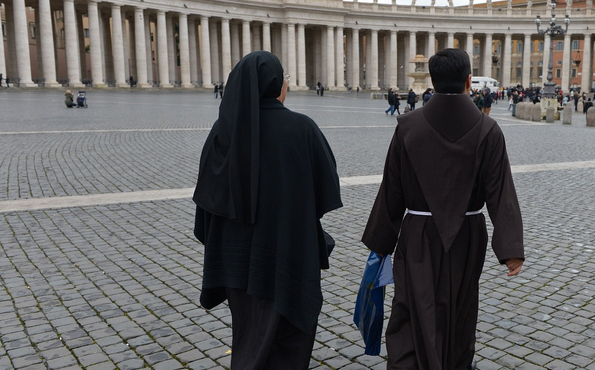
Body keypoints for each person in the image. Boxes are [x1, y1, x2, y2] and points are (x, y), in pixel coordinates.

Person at [362, 48, 524, 370]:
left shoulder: (408, 126)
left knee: (411, 305)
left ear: (432, 82)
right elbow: (500, 191)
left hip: (418, 234)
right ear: (468, 81)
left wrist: (381, 244)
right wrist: (510, 248)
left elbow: (391, 188)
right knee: (459, 311)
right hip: (467, 236)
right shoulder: (488, 130)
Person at [193, 51, 342, 369]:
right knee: (286, 343)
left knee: (248, 335)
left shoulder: (223, 132)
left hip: (236, 265)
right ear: (276, 84)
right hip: (289, 255)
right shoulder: (302, 128)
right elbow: (325, 193)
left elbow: (207, 205)